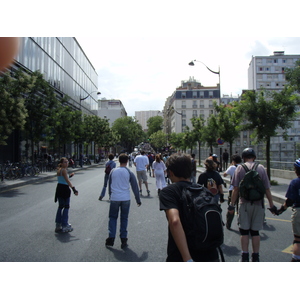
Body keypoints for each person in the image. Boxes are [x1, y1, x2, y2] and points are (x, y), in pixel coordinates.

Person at [159, 153, 220, 262]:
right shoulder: (203, 190)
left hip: (181, 255)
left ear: (171, 172)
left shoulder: (169, 191)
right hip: (210, 253)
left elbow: (175, 222)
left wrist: (187, 259)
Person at [227, 148, 277, 262]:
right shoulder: (261, 168)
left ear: (244, 157)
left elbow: (235, 189)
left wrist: (231, 205)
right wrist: (271, 205)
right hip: (259, 204)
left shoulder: (240, 168)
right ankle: (255, 256)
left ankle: (244, 256)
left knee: (244, 231)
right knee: (255, 232)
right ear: (254, 157)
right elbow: (267, 189)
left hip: (244, 204)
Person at [105, 154, 142, 248]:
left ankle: (111, 237)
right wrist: (138, 200)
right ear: (127, 161)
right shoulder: (129, 172)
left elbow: (110, 184)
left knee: (113, 218)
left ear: (119, 160)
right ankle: (123, 239)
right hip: (125, 198)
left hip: (115, 198)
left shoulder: (113, 171)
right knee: (124, 218)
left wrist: (110, 195)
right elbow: (135, 187)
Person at [276, 158, 300, 262]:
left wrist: (280, 210)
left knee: (298, 240)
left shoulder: (295, 182)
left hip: (299, 211)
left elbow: (289, 201)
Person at [54, 157, 78, 233]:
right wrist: (74, 189)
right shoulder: (64, 170)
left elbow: (64, 178)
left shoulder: (59, 170)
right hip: (64, 189)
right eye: (65, 162)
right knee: (66, 207)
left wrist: (70, 176)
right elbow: (67, 181)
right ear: (61, 163)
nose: (67, 163)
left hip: (59, 188)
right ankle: (65, 224)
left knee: (60, 206)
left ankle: (58, 224)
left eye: (67, 162)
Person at [223, 154, 242, 229]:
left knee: (231, 207)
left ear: (233, 161)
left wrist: (230, 166)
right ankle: (240, 222)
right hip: (242, 190)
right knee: (240, 207)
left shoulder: (232, 167)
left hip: (233, 189)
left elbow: (224, 175)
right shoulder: (243, 167)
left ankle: (228, 223)